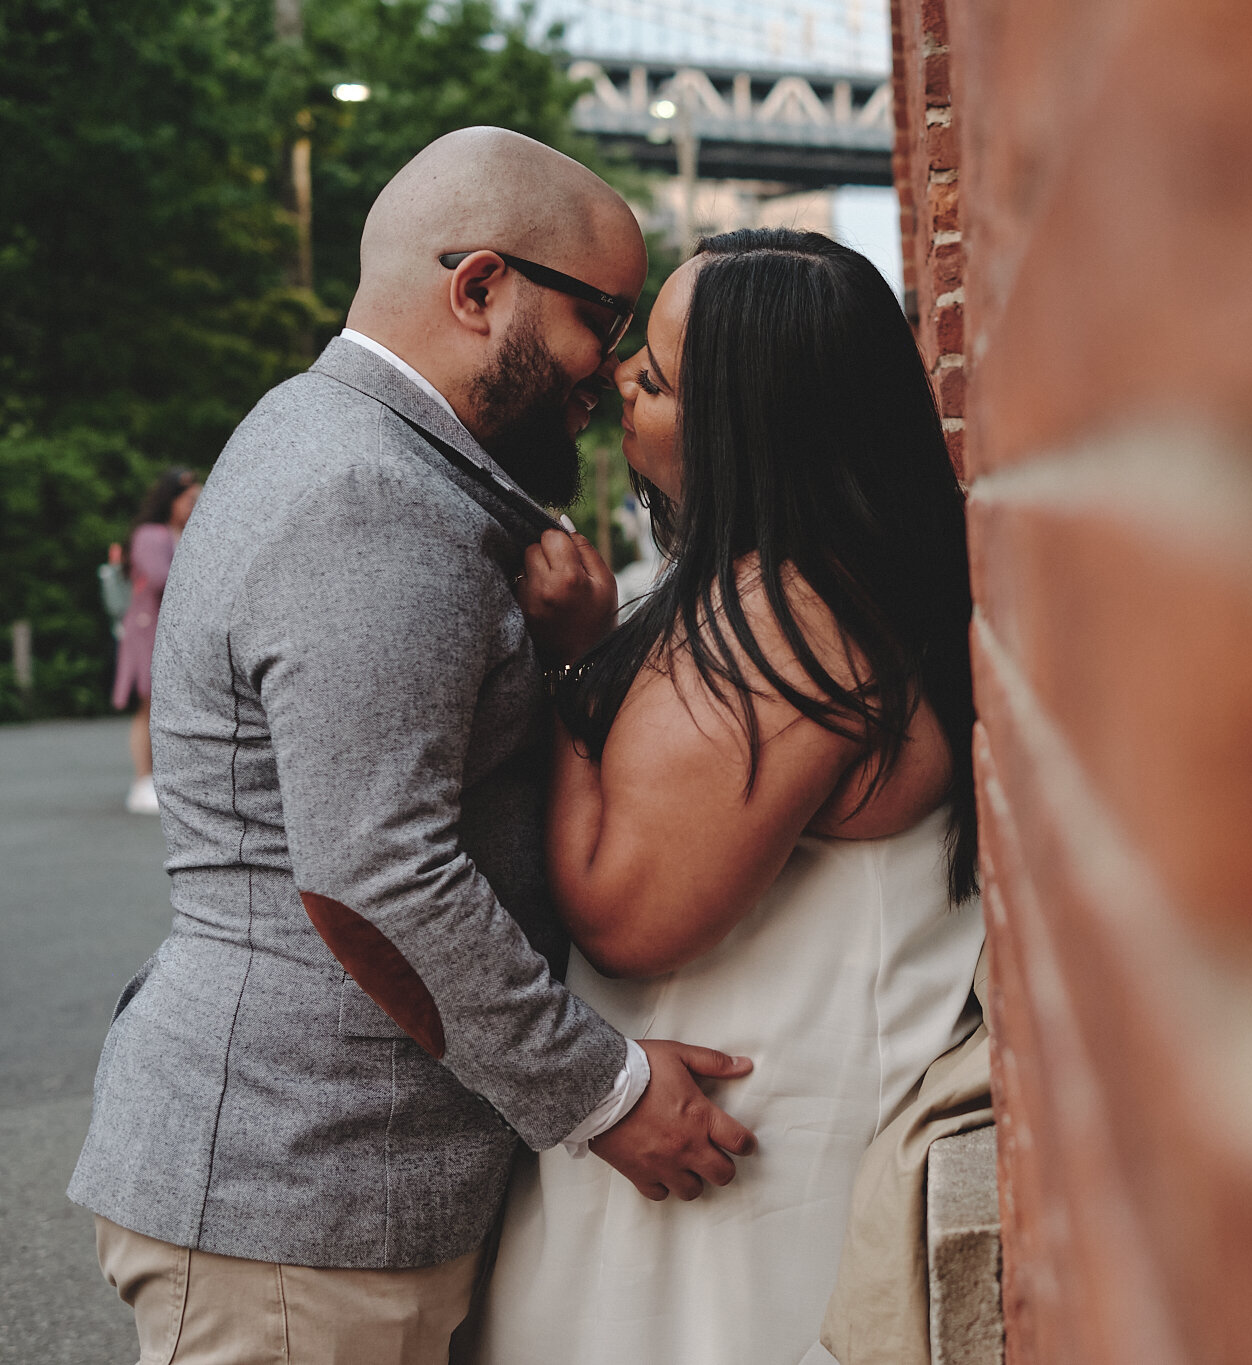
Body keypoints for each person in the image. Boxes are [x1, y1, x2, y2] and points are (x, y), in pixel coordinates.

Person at [69, 127, 756, 1365]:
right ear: (480, 285)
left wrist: (559, 659)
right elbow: (375, 873)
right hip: (299, 1207)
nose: (604, 372)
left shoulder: (353, 444)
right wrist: (602, 1096)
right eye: (600, 319)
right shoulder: (368, 499)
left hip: (330, 1196)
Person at [470, 229, 984, 1365]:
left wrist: (562, 670)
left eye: (650, 381)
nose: (616, 390)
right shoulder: (845, 577)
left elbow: (624, 909)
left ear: (743, 426)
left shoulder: (783, 621)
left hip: (714, 1176)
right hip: (735, 1152)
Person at [111, 467, 201, 814]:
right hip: (149, 628)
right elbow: (163, 578)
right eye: (188, 499)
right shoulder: (151, 534)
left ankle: (166, 778)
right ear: (171, 499)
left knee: (172, 704)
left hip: (170, 629)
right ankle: (143, 780)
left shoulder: (179, 532)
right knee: (148, 703)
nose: (194, 505)